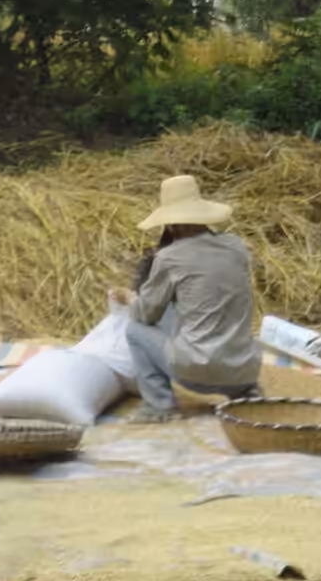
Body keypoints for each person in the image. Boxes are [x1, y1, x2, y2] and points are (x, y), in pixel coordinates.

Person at [108, 175, 262, 424]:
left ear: (171, 224)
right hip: (244, 370)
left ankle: (159, 405)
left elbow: (146, 314)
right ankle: (246, 393)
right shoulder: (237, 246)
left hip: (198, 375)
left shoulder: (170, 257)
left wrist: (129, 298)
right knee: (201, 315)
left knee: (135, 330)